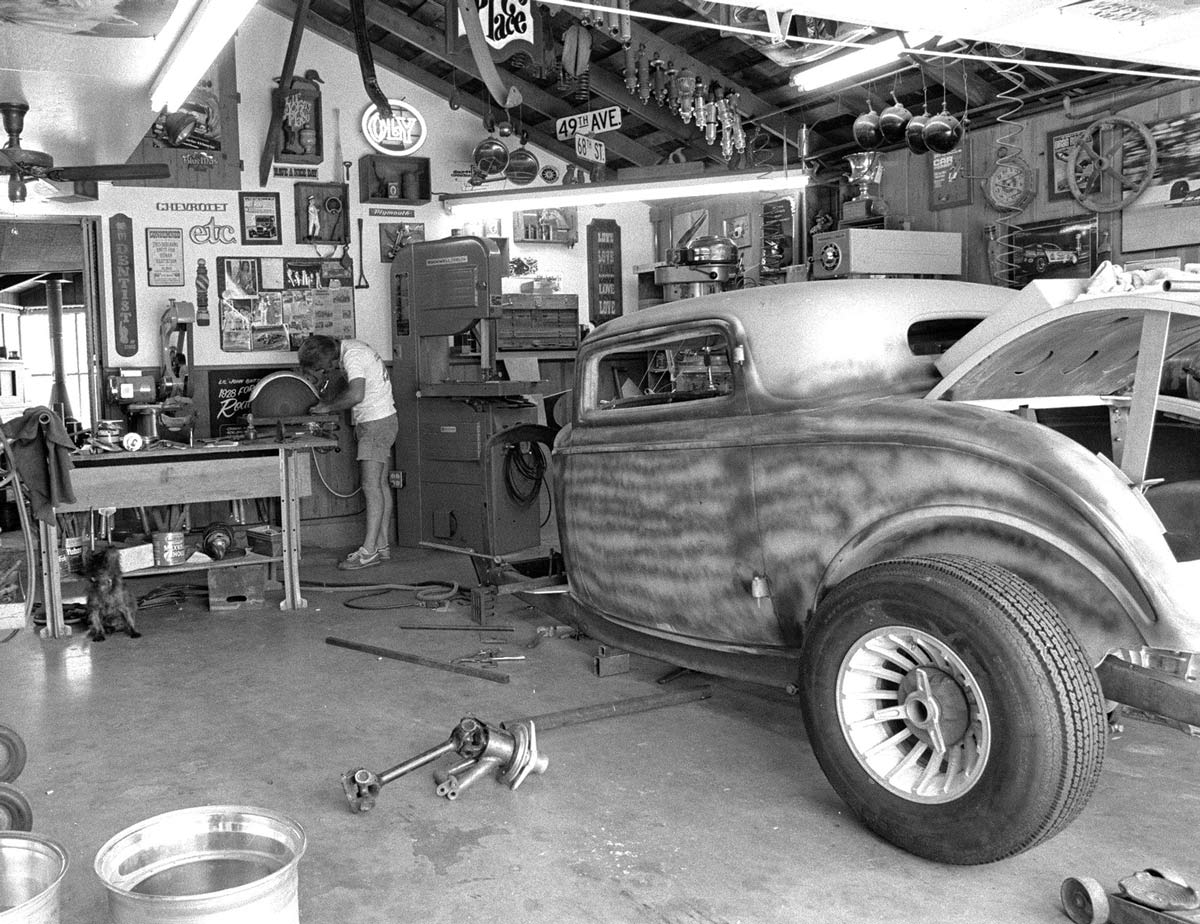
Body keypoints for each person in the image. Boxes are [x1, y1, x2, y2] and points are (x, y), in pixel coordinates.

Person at [298, 334, 397, 570]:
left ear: (329, 361)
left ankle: (369, 552)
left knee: (372, 487)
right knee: (380, 485)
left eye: (321, 369)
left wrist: (327, 407)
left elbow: (356, 395)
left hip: (375, 424)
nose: (323, 373)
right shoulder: (353, 347)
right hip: (383, 420)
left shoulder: (352, 357)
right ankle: (381, 546)